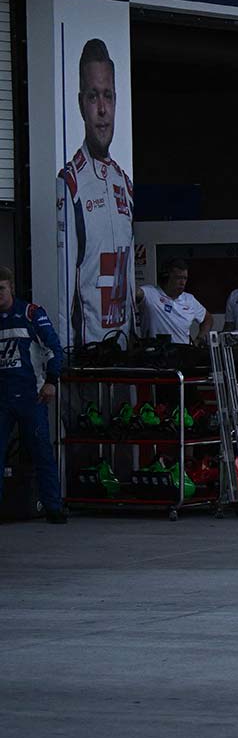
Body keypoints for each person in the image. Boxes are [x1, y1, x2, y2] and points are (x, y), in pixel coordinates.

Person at [57, 39, 136, 349]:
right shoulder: (70, 183)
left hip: (125, 345)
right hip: (88, 352)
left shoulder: (124, 184)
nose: (102, 110)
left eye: (108, 96)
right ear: (81, 104)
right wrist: (64, 356)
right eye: (93, 97)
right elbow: (64, 285)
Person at [0, 267, 66, 523]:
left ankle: (53, 507)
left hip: (32, 396)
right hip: (3, 399)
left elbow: (54, 347)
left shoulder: (31, 313)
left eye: (1, 288)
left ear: (11, 288)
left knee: (42, 453)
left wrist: (51, 381)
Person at [136, 258, 208, 345]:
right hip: (155, 353)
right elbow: (135, 293)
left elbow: (208, 318)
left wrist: (199, 339)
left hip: (184, 354)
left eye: (185, 278)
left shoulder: (190, 299)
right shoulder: (150, 293)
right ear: (166, 277)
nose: (182, 282)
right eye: (178, 278)